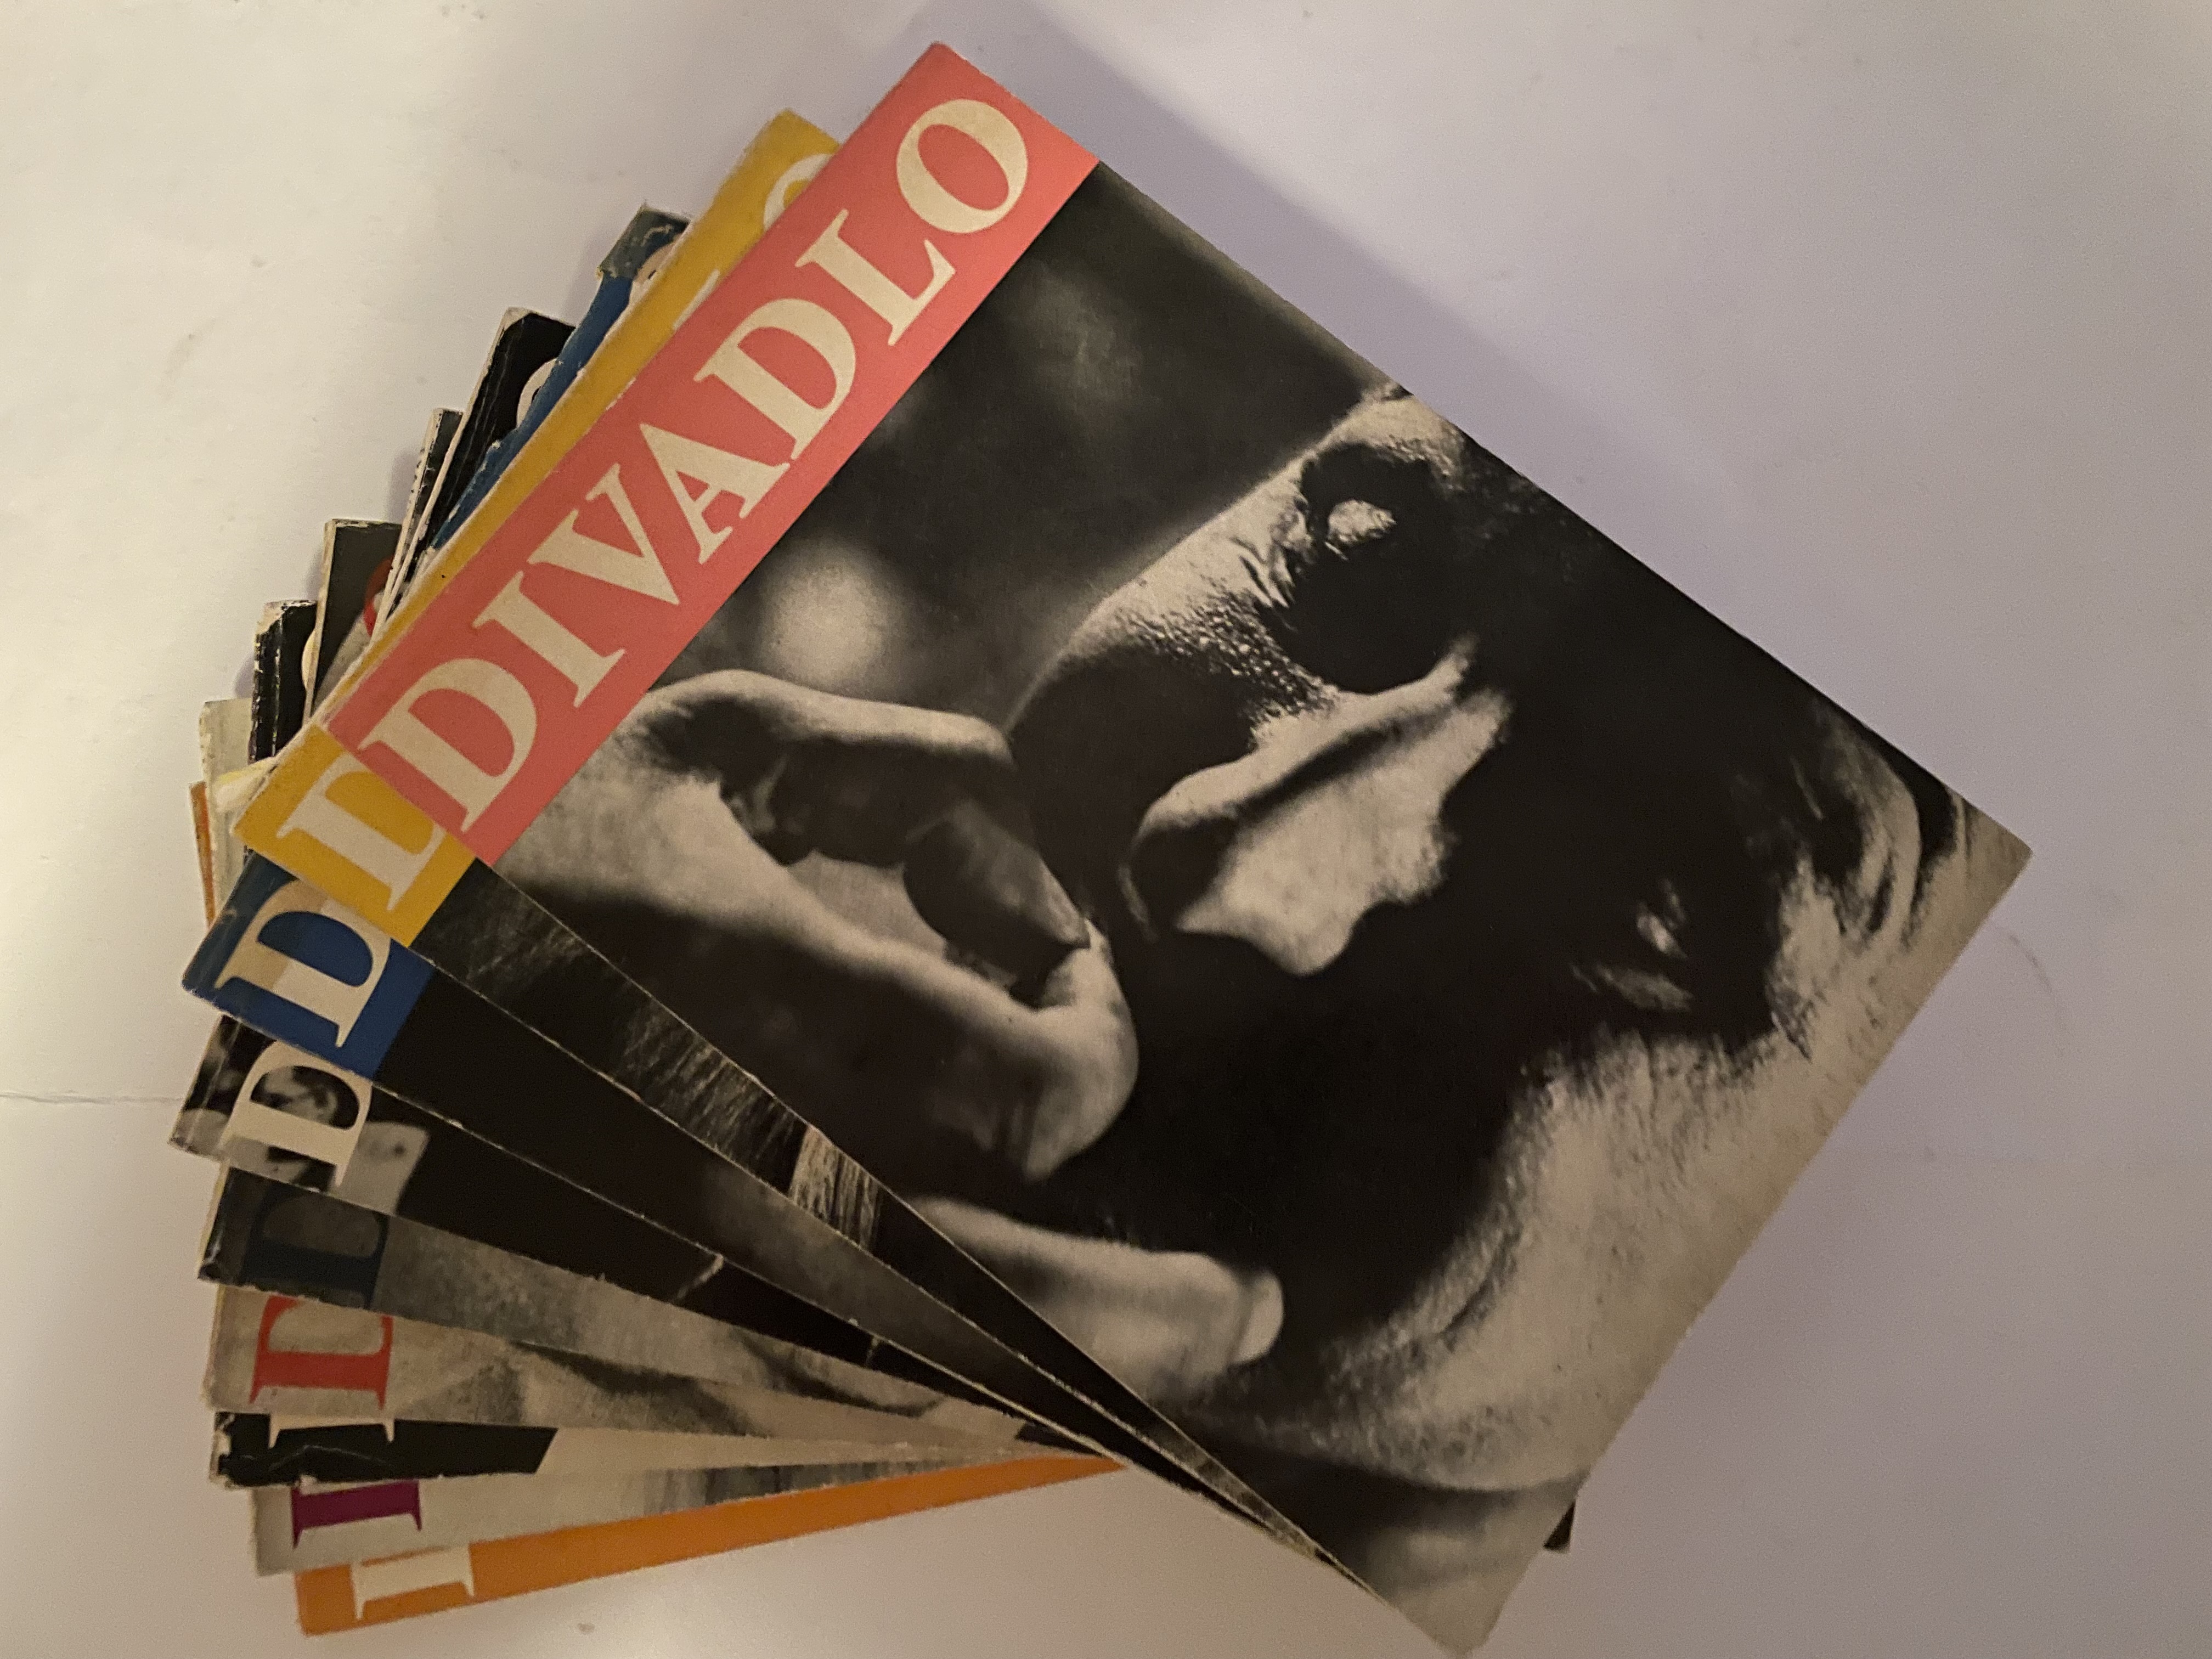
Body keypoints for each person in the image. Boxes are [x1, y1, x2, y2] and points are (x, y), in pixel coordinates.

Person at [497, 173, 2023, 1643]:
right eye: (1351, 566)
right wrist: (488, 1007)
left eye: (1653, 885)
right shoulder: (636, 965)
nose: (1228, 865)